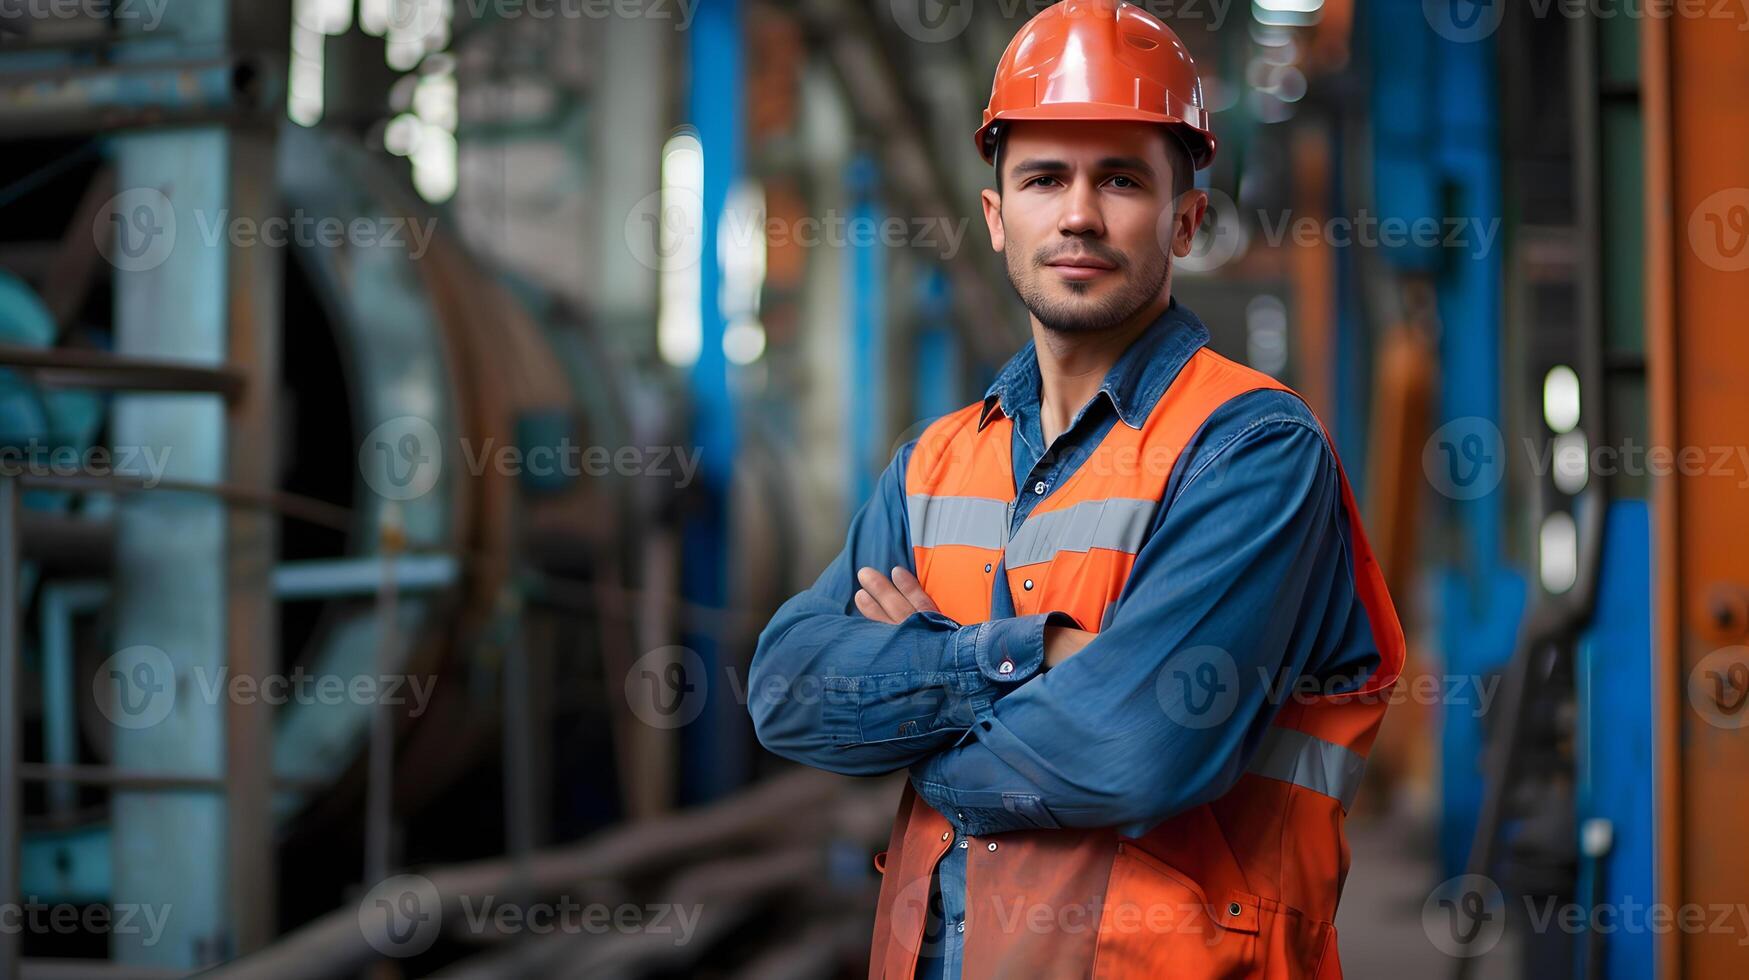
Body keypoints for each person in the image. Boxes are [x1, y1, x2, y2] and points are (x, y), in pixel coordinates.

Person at [749, 1, 1404, 976]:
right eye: (1044, 177)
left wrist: (912, 708)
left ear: (1186, 217)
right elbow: (788, 691)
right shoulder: (935, 462)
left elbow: (1132, 750)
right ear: (996, 217)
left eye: (1123, 179)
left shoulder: (1255, 450)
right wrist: (1034, 654)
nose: (1079, 214)